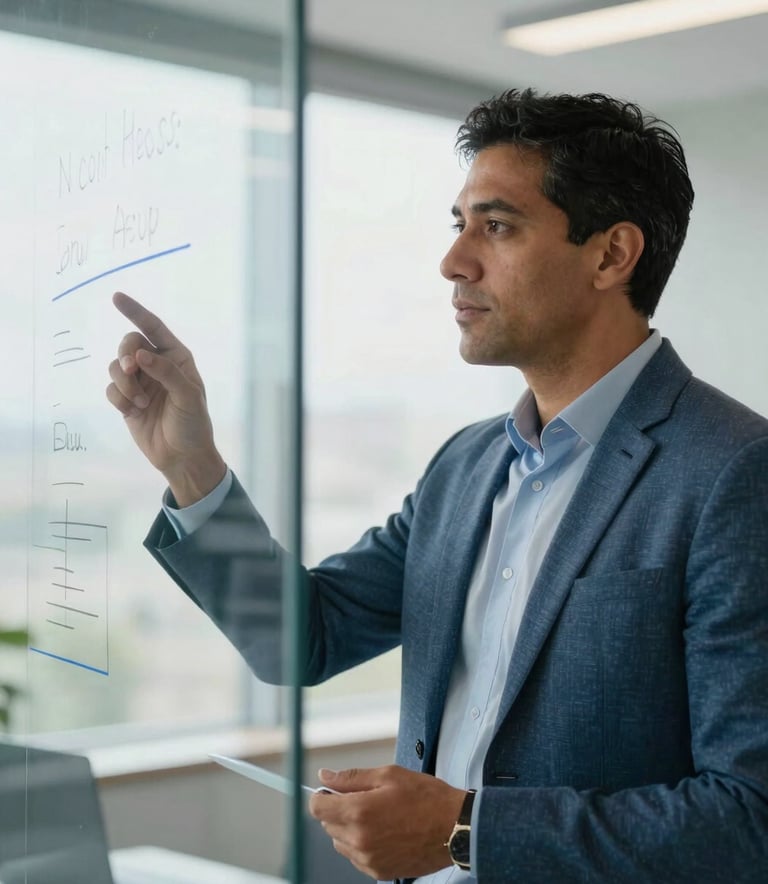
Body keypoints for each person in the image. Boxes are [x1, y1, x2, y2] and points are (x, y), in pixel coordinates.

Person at [106, 88, 768, 883]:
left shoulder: (734, 471)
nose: (454, 261)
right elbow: (300, 638)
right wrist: (192, 467)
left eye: (497, 226)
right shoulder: (465, 466)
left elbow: (748, 819)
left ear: (610, 255)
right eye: (460, 226)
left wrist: (464, 830)